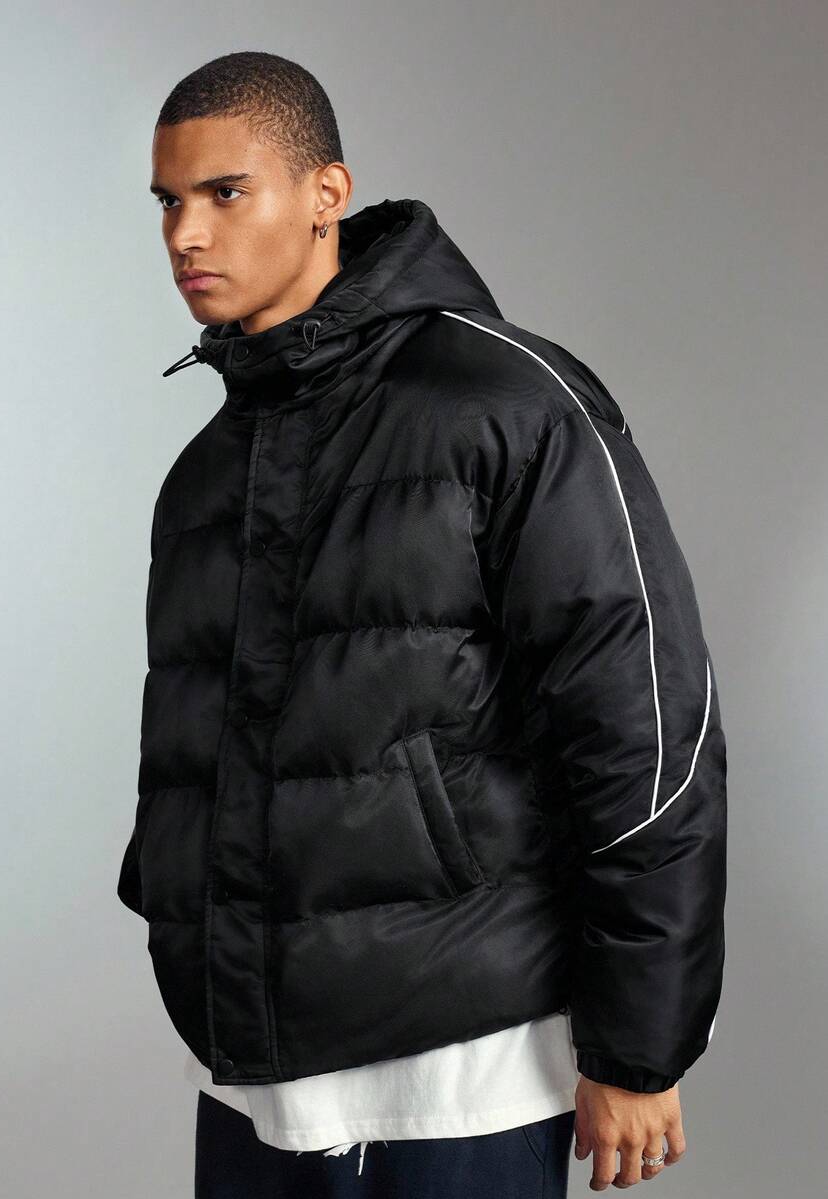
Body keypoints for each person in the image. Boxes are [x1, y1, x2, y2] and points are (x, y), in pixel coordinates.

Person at [117, 50, 727, 1197]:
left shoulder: (507, 403)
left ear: (326, 194)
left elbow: (645, 730)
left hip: (467, 1072)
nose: (186, 234)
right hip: (252, 1078)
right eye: (169, 201)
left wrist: (638, 1041)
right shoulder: (203, 478)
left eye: (225, 192)